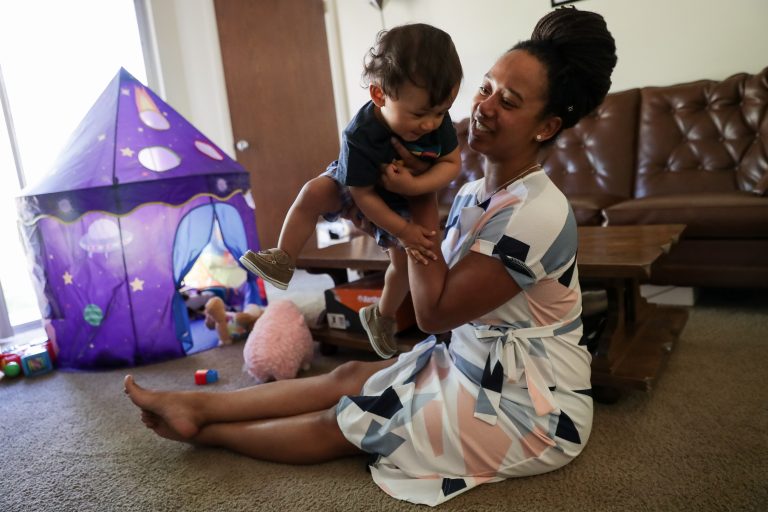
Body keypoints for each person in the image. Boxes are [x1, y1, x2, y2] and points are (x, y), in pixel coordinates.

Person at [124, 7, 617, 506]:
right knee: (347, 376)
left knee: (350, 420)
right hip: (467, 360)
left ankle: (202, 430)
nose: (484, 106)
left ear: (546, 126)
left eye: (507, 101)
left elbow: (433, 313)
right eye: (486, 87)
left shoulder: (536, 212)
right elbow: (427, 264)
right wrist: (384, 222)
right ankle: (198, 404)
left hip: (527, 405)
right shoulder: (472, 193)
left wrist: (417, 195)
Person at [239, 23, 463, 359]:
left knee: (404, 262)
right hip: (359, 186)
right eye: (419, 114)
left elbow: (451, 164)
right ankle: (283, 258)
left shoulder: (437, 120)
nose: (431, 124)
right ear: (379, 95)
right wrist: (402, 231)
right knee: (313, 192)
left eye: (440, 112)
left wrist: (414, 187)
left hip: (403, 197)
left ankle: (382, 316)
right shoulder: (360, 133)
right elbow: (362, 195)